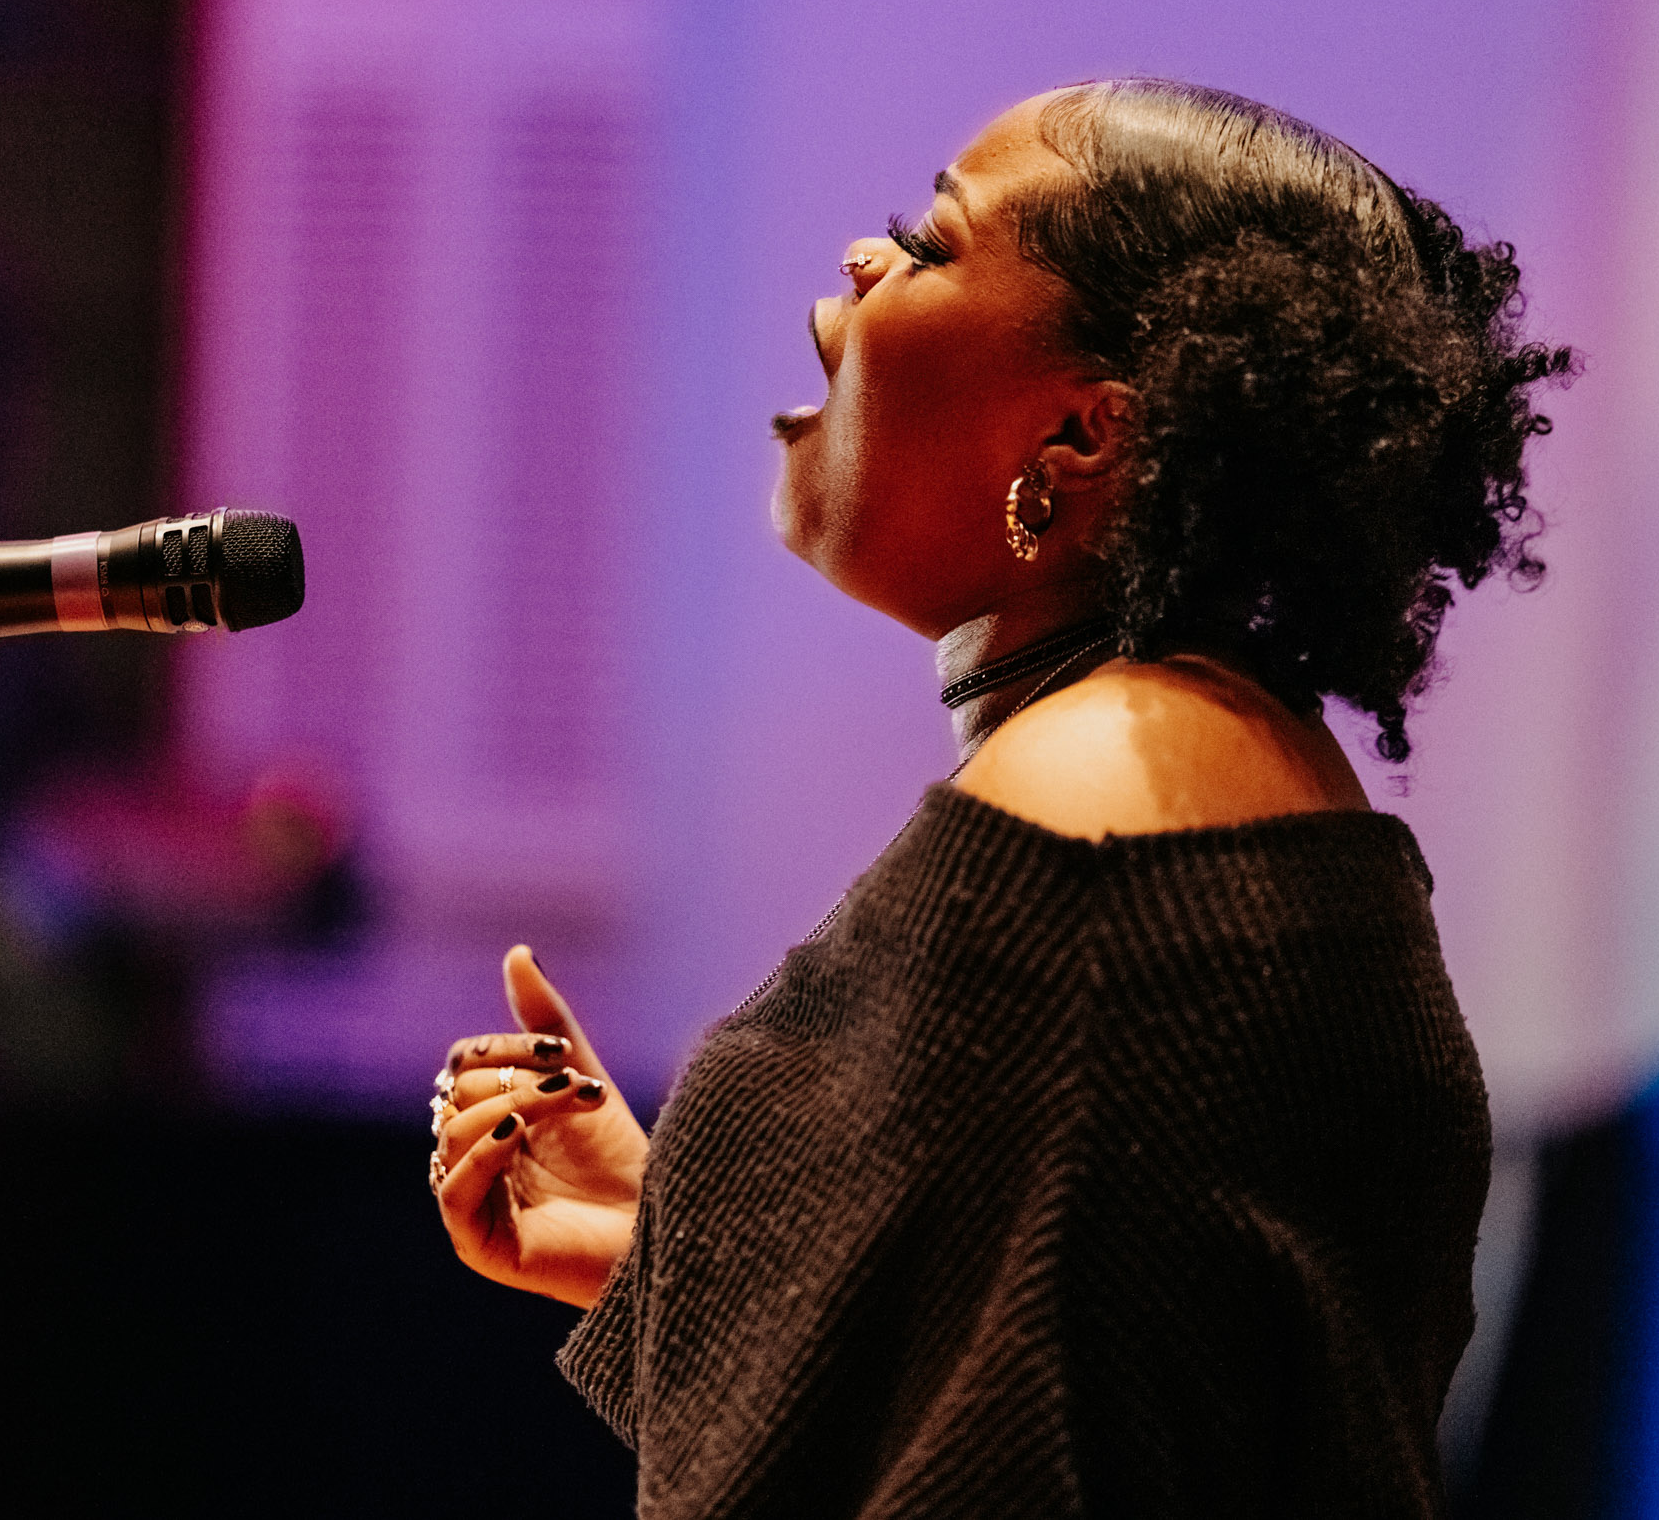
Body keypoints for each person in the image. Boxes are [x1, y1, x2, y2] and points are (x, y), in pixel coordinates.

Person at [424, 78, 1567, 1517]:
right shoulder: (1219, 786)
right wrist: (674, 1240)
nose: (863, 260)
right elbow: (1067, 1340)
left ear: (1079, 447)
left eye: (931, 239)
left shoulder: (1089, 820)